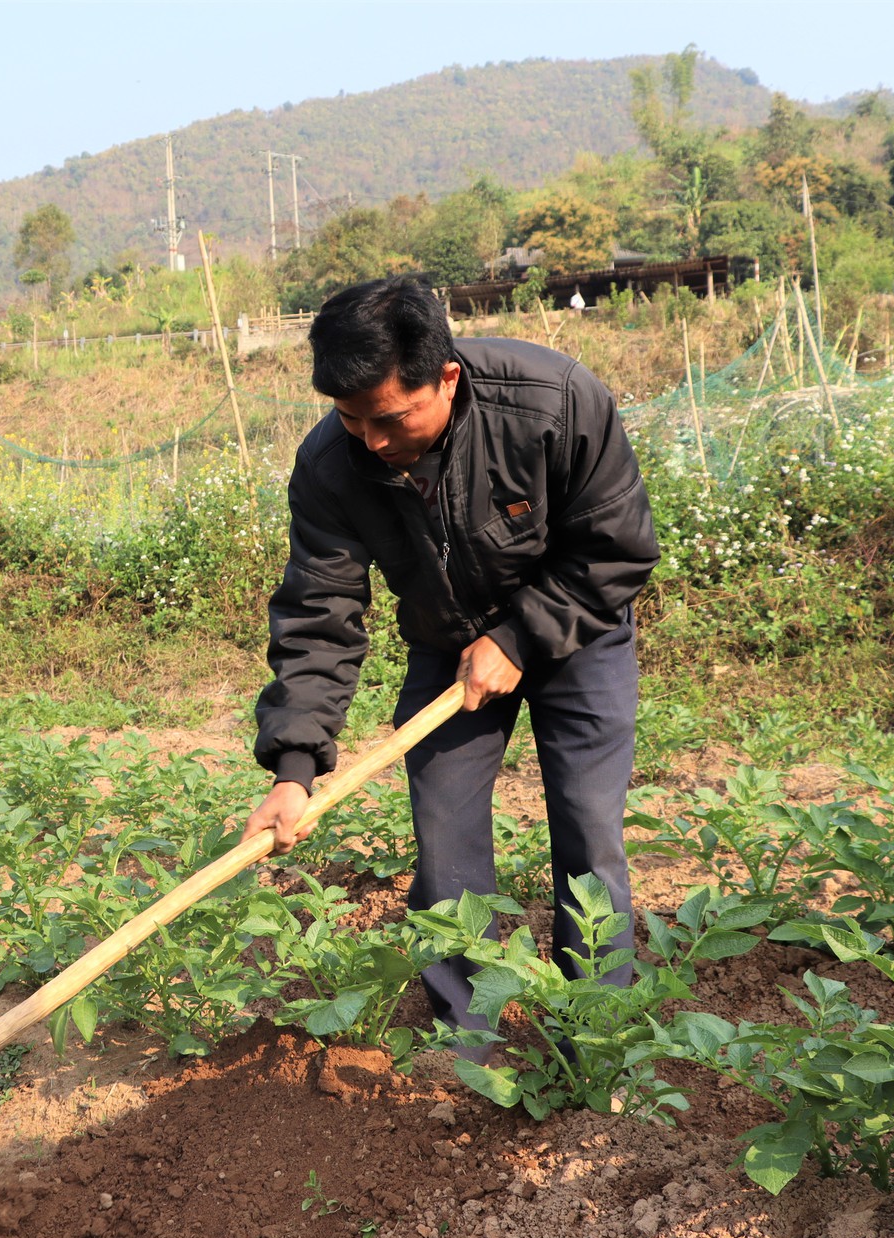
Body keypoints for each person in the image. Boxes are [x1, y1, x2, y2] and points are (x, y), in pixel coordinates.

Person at [240, 276, 659, 1056]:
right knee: (443, 829)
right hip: (447, 639)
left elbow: (619, 549)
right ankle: (470, 1043)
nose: (370, 439)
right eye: (350, 418)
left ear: (448, 377)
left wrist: (520, 635)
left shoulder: (556, 400)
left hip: (577, 627)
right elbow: (318, 612)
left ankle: (596, 1035)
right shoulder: (332, 466)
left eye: (390, 418)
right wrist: (294, 766)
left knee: (586, 825)